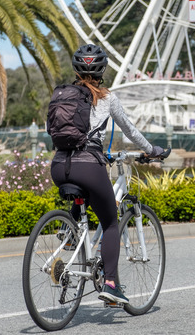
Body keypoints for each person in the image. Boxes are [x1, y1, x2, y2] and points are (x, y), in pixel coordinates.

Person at [50, 44, 165, 306]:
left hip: (58, 164)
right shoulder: (107, 98)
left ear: (76, 69)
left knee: (83, 199)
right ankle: (111, 285)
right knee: (111, 221)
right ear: (102, 70)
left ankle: (70, 233)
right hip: (88, 164)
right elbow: (130, 131)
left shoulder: (61, 95)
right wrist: (152, 150)